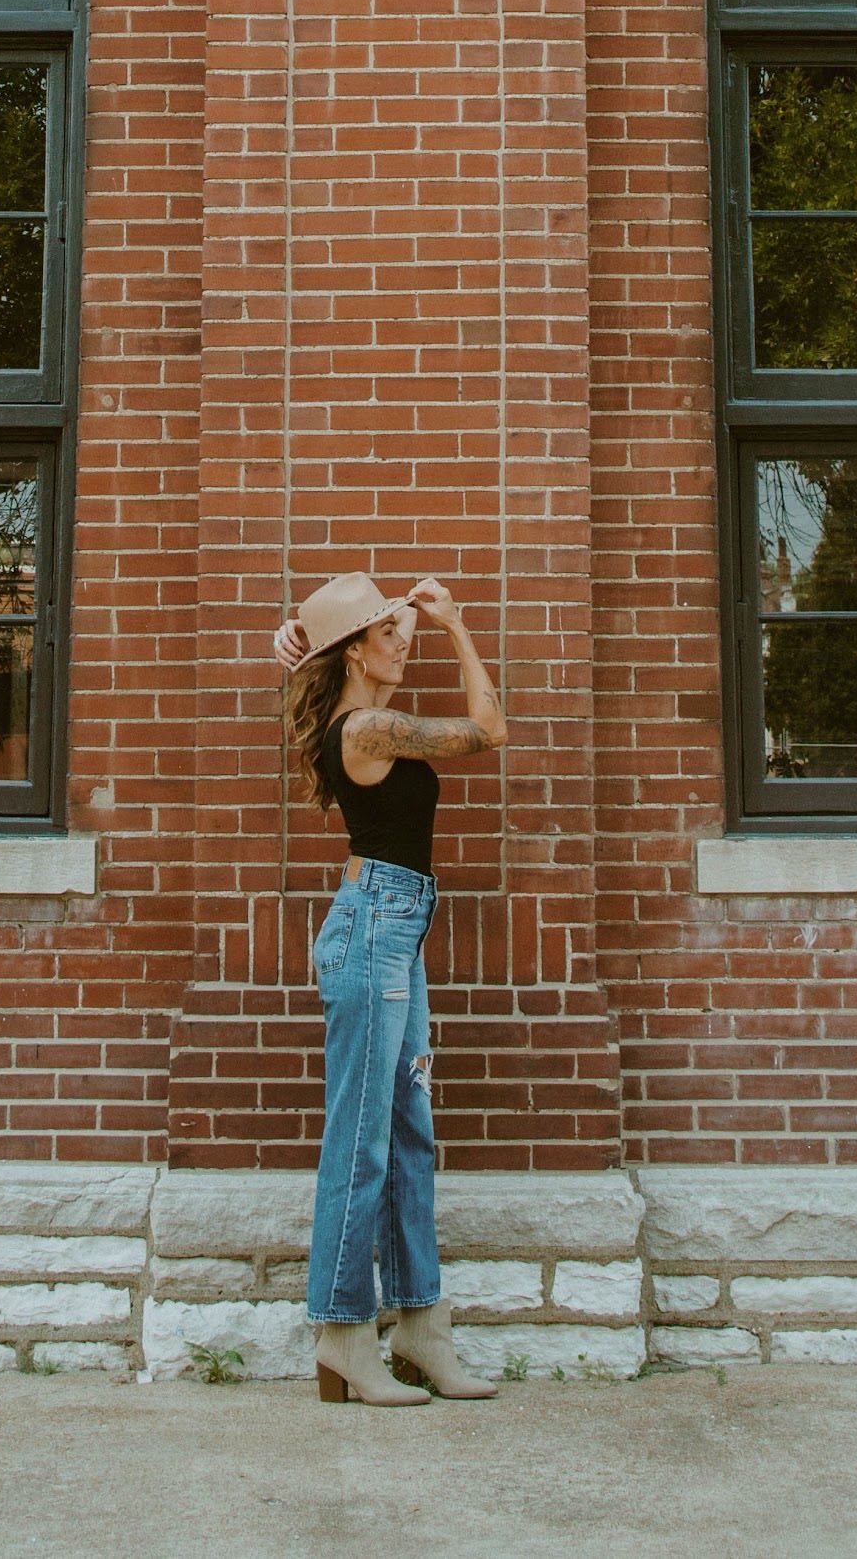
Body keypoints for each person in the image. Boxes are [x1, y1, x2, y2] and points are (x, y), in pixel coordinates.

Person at [275, 572, 507, 1406]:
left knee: (410, 1135)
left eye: (399, 632)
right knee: (364, 1139)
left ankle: (418, 1326)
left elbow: (365, 625)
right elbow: (490, 726)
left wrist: (404, 613)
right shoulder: (368, 726)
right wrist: (457, 627)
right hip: (374, 930)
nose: (401, 642)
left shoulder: (356, 709)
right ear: (351, 655)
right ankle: (343, 1331)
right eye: (385, 637)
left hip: (394, 929)